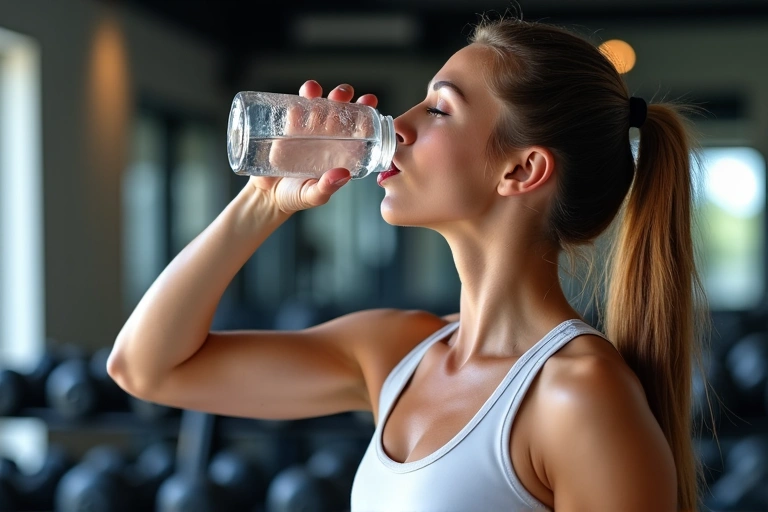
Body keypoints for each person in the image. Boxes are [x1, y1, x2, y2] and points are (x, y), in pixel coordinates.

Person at [108, 13, 709, 512]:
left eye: (439, 110)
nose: (398, 127)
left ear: (521, 170)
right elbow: (146, 369)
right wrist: (263, 201)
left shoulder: (579, 397)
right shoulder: (395, 351)